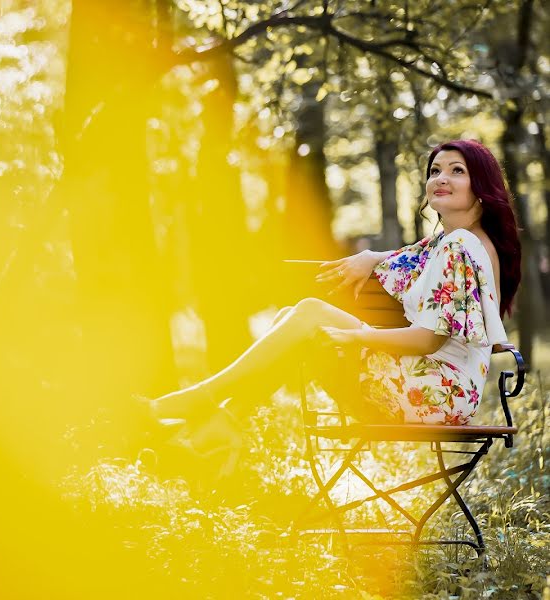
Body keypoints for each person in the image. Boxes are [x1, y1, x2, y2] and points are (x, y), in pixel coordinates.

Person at [147, 139, 522, 463]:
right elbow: (407, 258)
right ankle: (220, 430)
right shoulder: (458, 242)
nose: (441, 178)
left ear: (481, 186)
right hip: (445, 394)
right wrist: (372, 256)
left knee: (308, 314)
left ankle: (201, 399)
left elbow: (428, 339)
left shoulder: (460, 245)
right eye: (435, 170)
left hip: (437, 393)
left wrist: (356, 337)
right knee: (291, 318)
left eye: (457, 171)